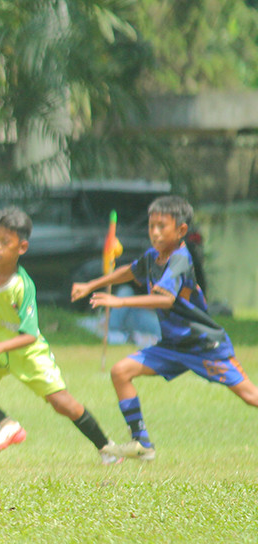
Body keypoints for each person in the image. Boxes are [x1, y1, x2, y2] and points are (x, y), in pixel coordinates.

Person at [72, 195, 258, 461]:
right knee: (121, 371)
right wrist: (92, 285)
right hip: (172, 345)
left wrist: (121, 300)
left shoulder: (180, 259)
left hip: (204, 345)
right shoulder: (153, 257)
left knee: (250, 395)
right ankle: (142, 443)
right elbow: (129, 271)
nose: (155, 232)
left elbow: (165, 299)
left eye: (162, 226)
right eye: (151, 226)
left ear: (181, 230)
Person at [0, 207, 121, 463]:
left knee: (63, 404)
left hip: (26, 351)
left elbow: (30, 335)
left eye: (5, 243)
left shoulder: (23, 285)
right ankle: (7, 425)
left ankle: (107, 448)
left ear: (22, 247)